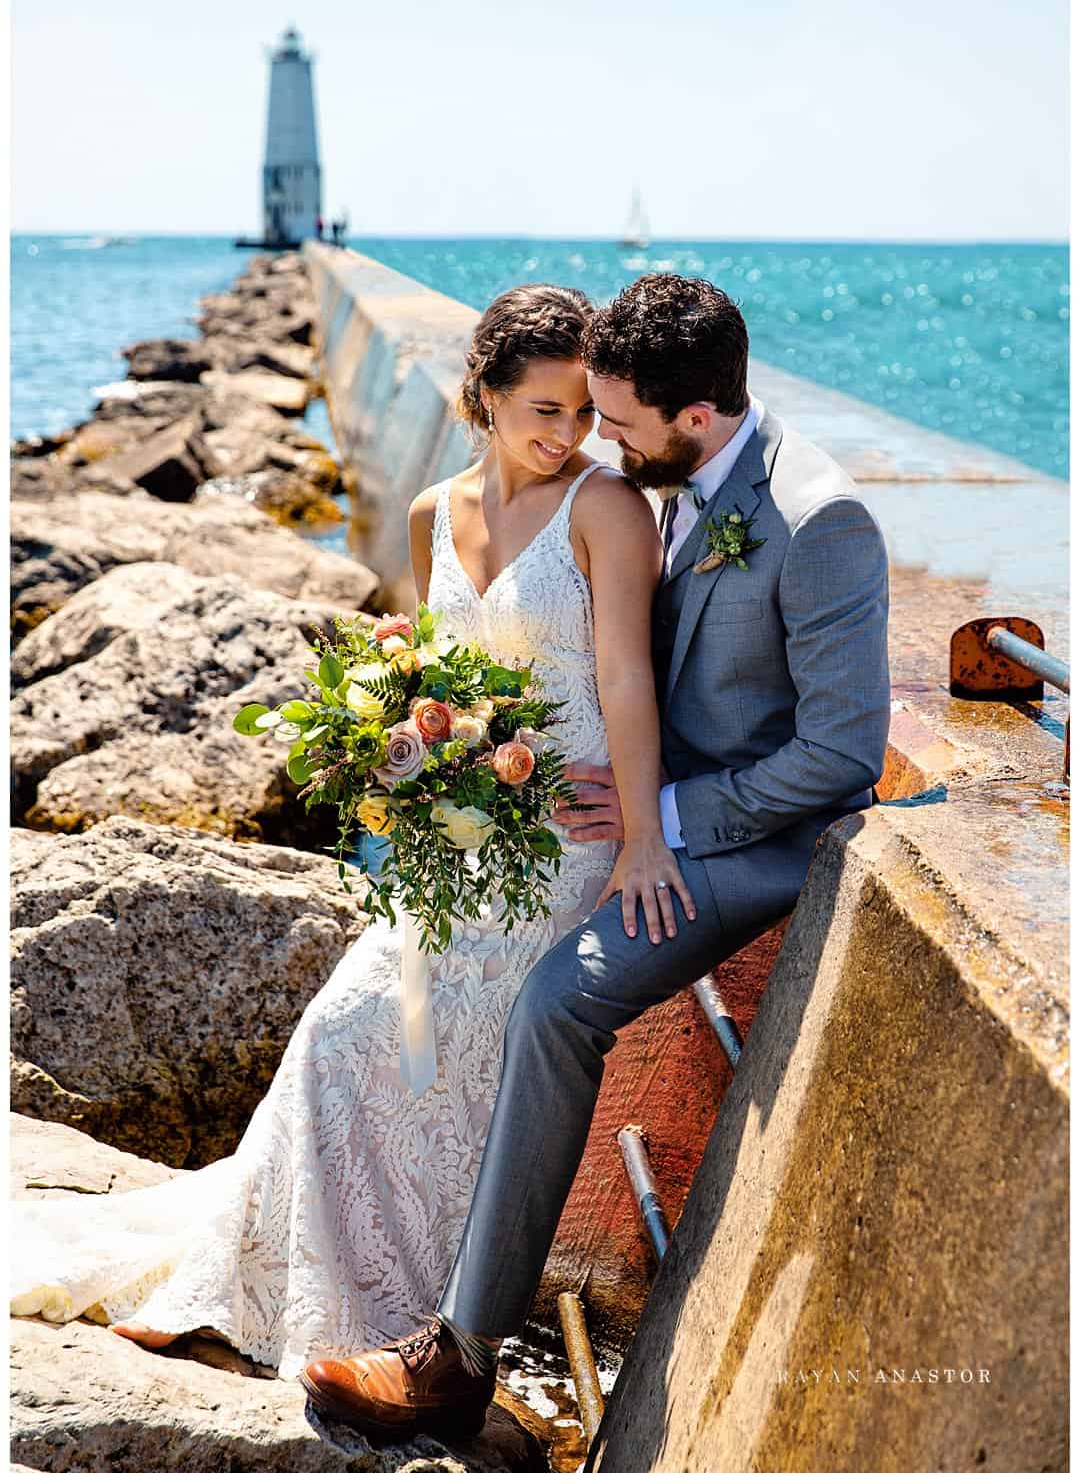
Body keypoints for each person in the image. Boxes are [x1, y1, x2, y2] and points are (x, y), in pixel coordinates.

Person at [10, 282, 688, 1386]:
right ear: (485, 395)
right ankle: (256, 1288)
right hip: (459, 837)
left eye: (583, 412)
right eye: (546, 410)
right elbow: (437, 684)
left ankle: (400, 1320)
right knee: (339, 1032)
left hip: (564, 848)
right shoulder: (433, 513)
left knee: (416, 1054)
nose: (570, 435)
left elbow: (623, 672)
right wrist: (406, 745)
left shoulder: (609, 510)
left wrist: (644, 839)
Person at [297, 273, 892, 1441]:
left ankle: (457, 1359)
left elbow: (838, 755)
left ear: (699, 417)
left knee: (556, 1001)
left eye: (615, 424)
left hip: (758, 842)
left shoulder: (822, 522)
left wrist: (656, 819)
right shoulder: (663, 479)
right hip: (639, 808)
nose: (595, 447)